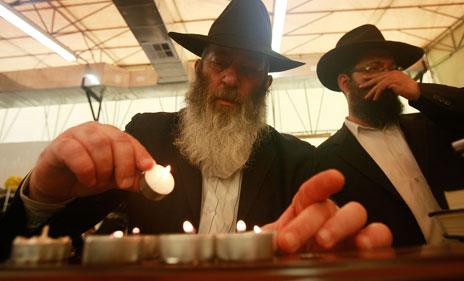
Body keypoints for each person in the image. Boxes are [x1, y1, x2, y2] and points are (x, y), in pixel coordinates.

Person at [0, 0, 392, 259]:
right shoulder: (148, 136)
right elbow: (43, 241)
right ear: (199, 70)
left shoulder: (296, 160)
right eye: (219, 62)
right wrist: (43, 196)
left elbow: (313, 242)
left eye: (249, 69)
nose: (230, 78)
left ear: (266, 85)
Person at [315, 24, 464, 247]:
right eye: (373, 68)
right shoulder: (327, 159)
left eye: (392, 68)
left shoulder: (429, 126)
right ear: (346, 83)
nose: (389, 76)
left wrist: (419, 92)